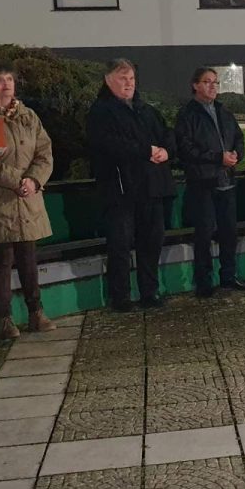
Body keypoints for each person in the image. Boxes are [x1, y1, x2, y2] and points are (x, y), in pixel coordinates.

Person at [0, 60, 56, 338]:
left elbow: (44, 152)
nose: (6, 84)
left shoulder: (28, 115)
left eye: (10, 79)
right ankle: (4, 318)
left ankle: (36, 312)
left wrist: (34, 180)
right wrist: (17, 180)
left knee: (28, 256)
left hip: (27, 197)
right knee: (2, 259)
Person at [86, 58, 176, 312]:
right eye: (122, 78)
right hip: (120, 190)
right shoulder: (100, 112)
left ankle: (150, 291)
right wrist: (146, 150)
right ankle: (121, 297)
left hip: (152, 187)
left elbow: (168, 134)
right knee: (120, 245)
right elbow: (108, 144)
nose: (129, 83)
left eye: (132, 78)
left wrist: (166, 151)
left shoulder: (146, 110)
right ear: (108, 80)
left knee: (152, 242)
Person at [174, 66, 245, 298]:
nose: (213, 86)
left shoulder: (224, 112)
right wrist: (217, 158)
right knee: (204, 234)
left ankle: (229, 275)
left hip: (227, 181)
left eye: (215, 82)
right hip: (203, 183)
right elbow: (186, 149)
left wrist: (236, 154)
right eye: (207, 82)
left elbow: (239, 138)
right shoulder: (187, 115)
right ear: (195, 85)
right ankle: (204, 281)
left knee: (229, 233)